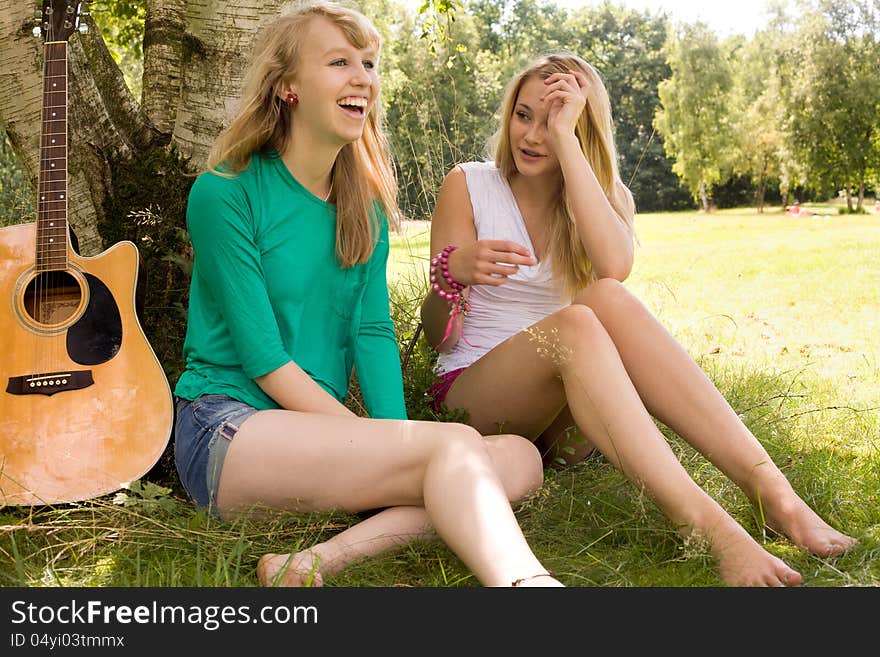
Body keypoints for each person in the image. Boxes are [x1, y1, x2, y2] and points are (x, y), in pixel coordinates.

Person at [419, 52, 858, 586]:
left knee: (603, 297)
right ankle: (707, 527)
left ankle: (773, 491)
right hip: (475, 394)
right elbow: (439, 333)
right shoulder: (469, 184)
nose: (532, 135)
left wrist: (568, 144)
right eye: (524, 114)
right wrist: (453, 271)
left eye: (555, 118)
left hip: (565, 421)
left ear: (582, 130)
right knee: (579, 323)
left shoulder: (599, 197)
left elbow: (614, 268)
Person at [173, 2, 563, 588]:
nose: (363, 78)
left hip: (319, 437)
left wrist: (396, 439)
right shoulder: (225, 193)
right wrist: (396, 447)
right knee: (453, 450)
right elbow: (264, 361)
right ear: (287, 87)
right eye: (339, 62)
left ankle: (313, 564)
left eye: (370, 63)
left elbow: (373, 334)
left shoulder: (364, 210)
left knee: (521, 459)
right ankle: (525, 584)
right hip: (229, 429)